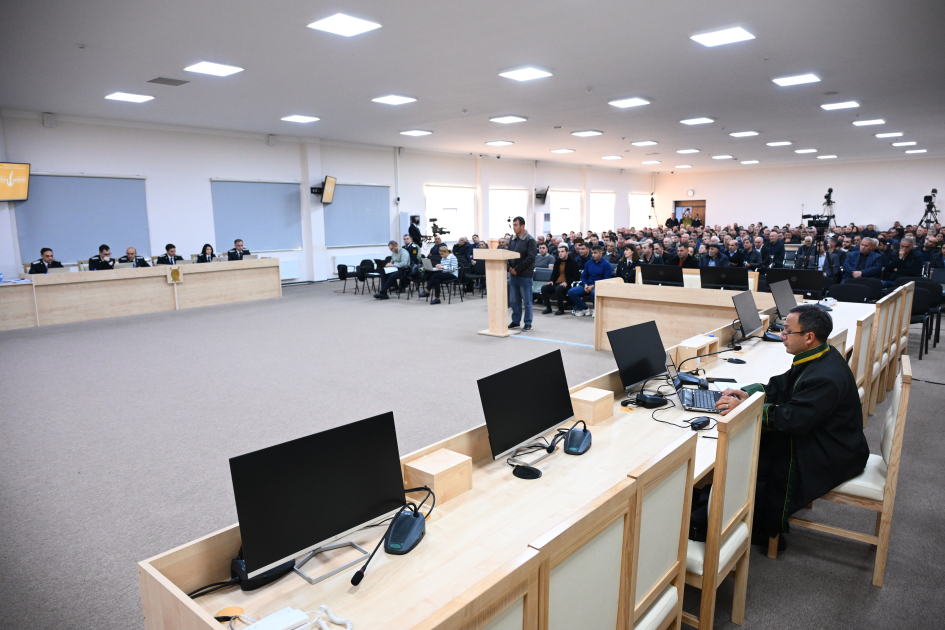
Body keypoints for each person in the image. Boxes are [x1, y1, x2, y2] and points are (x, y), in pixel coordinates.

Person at [715, 304, 868, 544]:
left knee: (757, 455)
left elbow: (792, 418)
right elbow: (783, 385)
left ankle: (761, 527)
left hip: (834, 453)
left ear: (809, 337)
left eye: (787, 331)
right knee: (756, 446)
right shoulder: (820, 355)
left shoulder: (826, 377)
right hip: (827, 435)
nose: (782, 336)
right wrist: (747, 393)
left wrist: (745, 409)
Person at [506, 216, 538, 331]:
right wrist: (509, 267)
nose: (513, 227)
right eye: (513, 225)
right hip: (513, 274)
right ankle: (516, 321)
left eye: (515, 225)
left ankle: (528, 322)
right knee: (514, 300)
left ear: (522, 226)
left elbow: (530, 258)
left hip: (525, 275)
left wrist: (517, 269)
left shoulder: (530, 240)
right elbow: (508, 254)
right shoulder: (513, 239)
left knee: (527, 301)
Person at [567, 245, 612, 316]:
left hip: (599, 286)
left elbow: (606, 280)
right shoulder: (589, 263)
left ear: (601, 253)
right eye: (592, 253)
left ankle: (596, 309)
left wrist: (593, 286)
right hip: (587, 285)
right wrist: (585, 285)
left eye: (595, 253)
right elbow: (584, 276)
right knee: (571, 292)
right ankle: (584, 309)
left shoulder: (606, 264)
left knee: (594, 293)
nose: (593, 255)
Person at [541, 244, 580, 315]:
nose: (560, 253)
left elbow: (576, 276)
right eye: (559, 252)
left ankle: (561, 309)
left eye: (562, 251)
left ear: (567, 252)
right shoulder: (558, 261)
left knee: (558, 289)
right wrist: (551, 281)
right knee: (544, 288)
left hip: (568, 284)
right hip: (557, 282)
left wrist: (567, 282)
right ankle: (548, 308)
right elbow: (554, 273)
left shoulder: (573, 262)